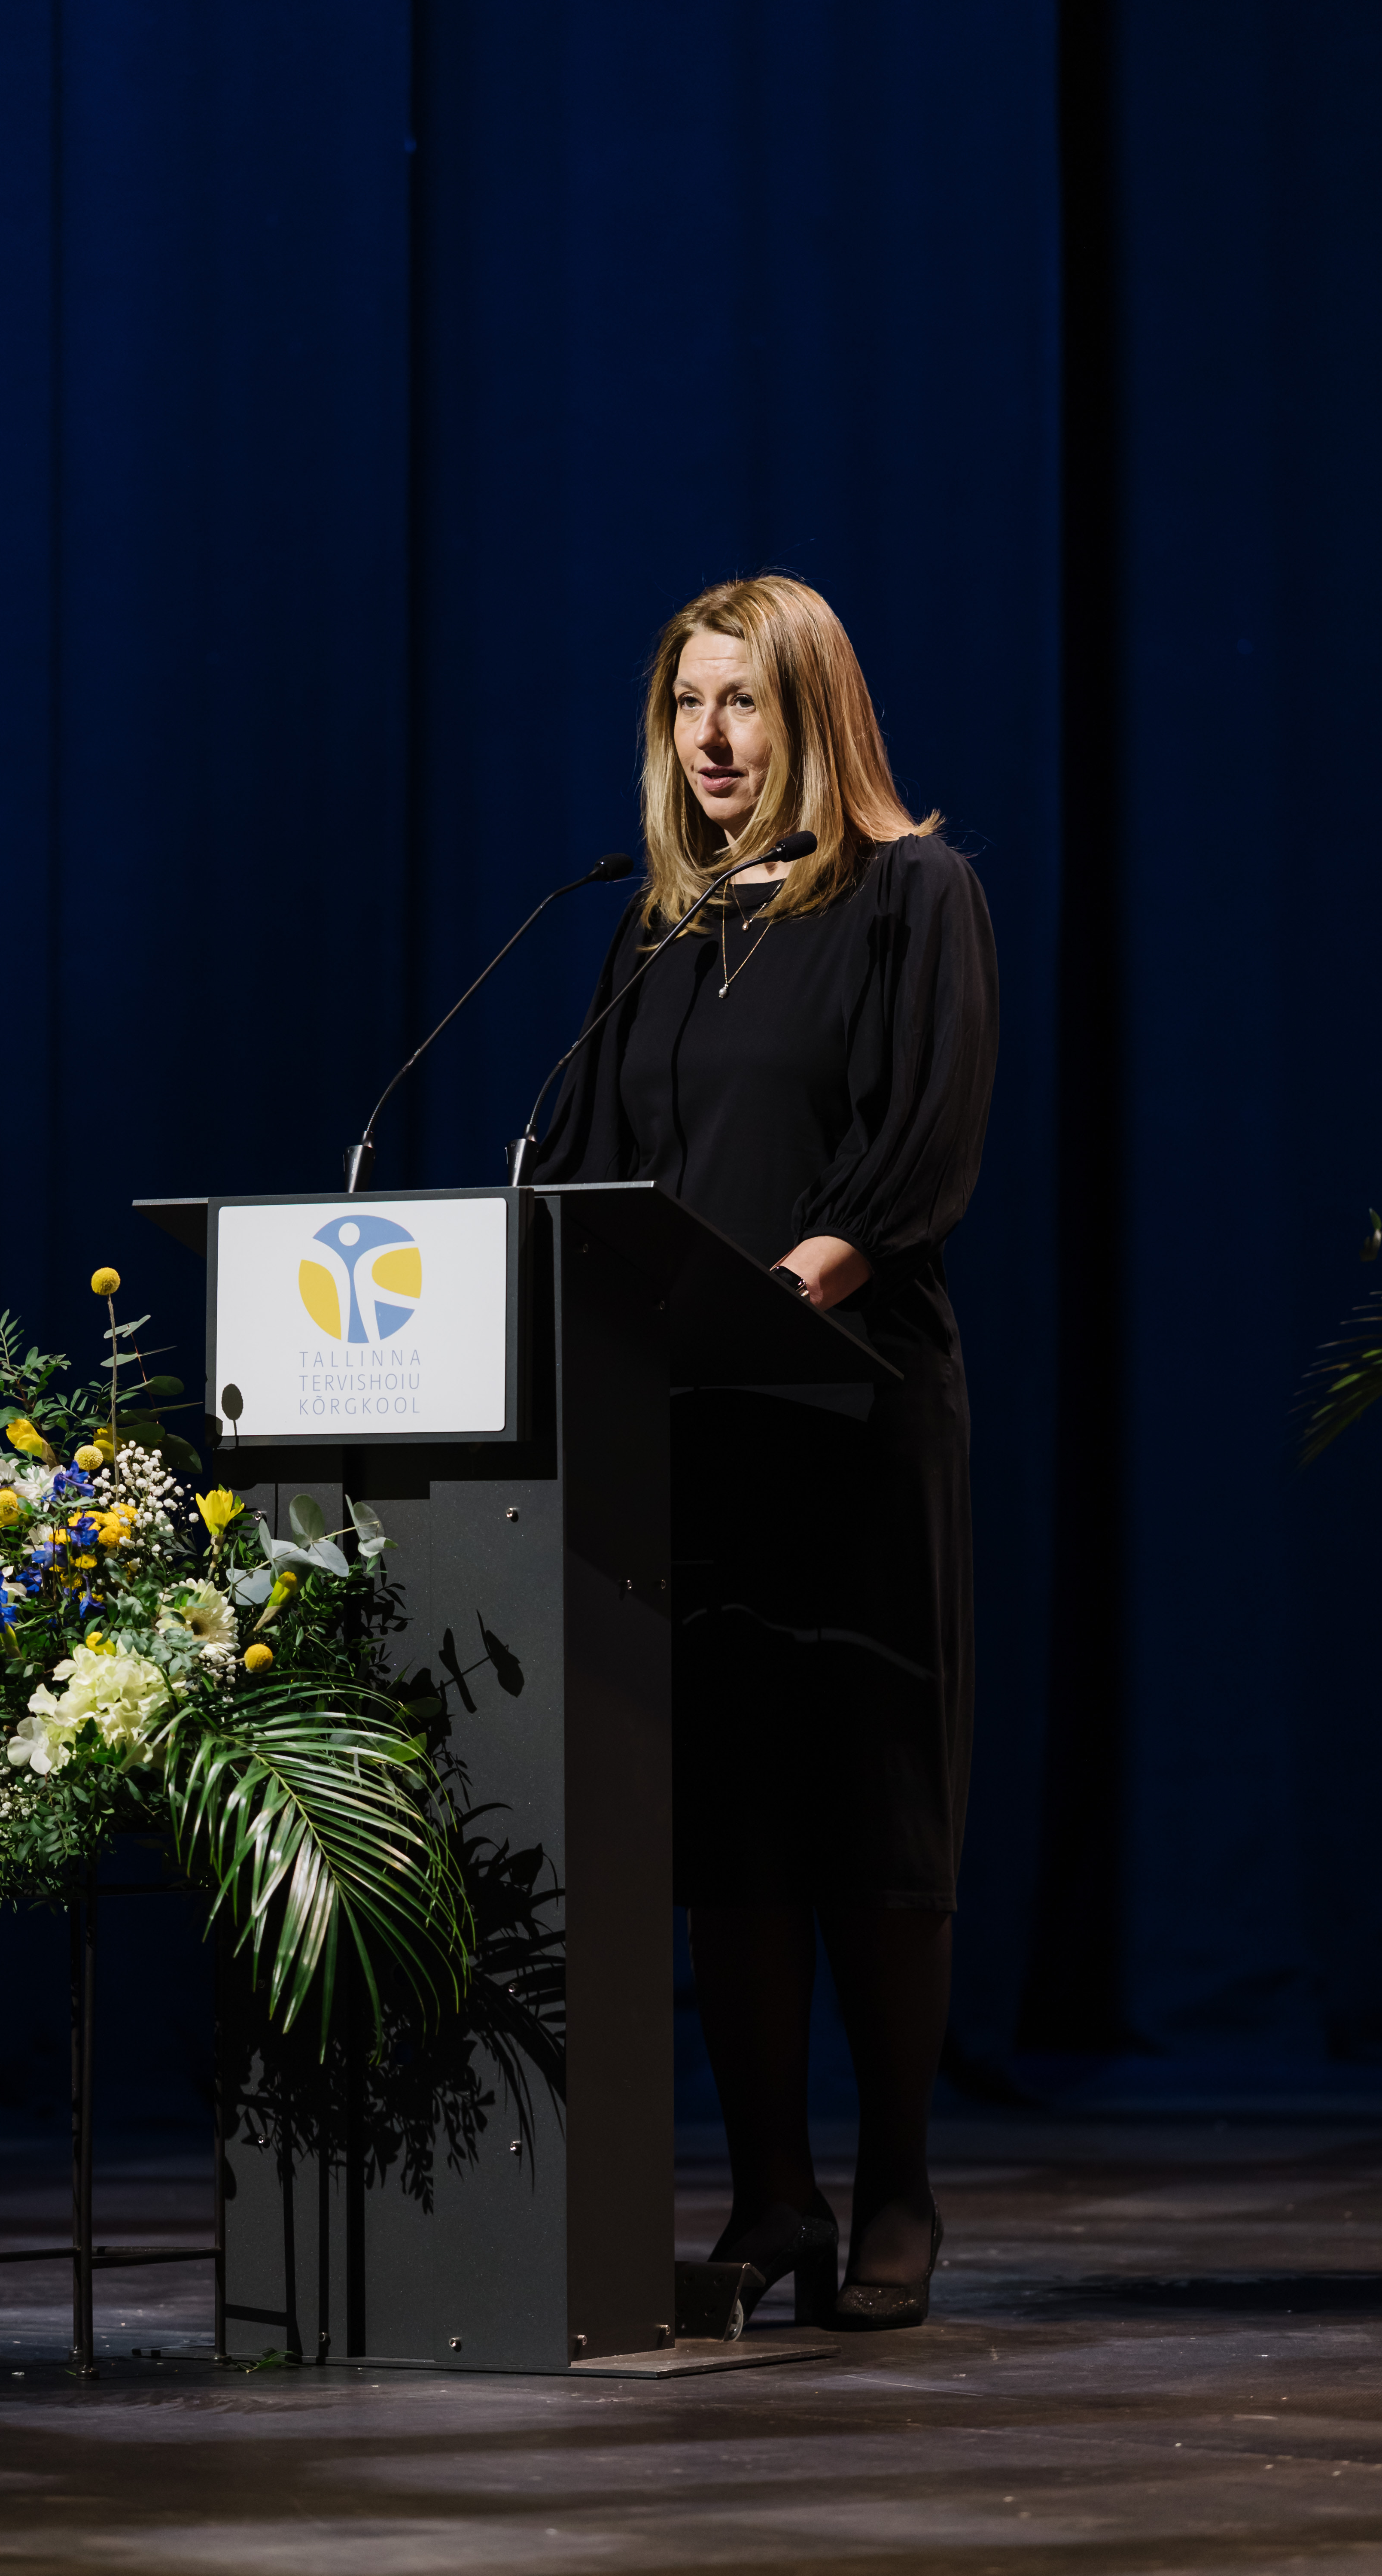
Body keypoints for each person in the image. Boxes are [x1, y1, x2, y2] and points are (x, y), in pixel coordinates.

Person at [536, 575, 998, 2329]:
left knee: (870, 1812)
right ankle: (775, 2197)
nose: (711, 740)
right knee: (724, 1824)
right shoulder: (654, 929)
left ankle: (897, 2193)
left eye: (744, 704)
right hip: (689, 1425)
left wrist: (781, 1289)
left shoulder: (912, 894)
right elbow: (589, 1165)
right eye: (687, 706)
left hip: (853, 1407)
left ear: (813, 714)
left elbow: (916, 1147)